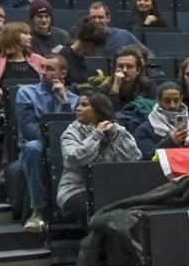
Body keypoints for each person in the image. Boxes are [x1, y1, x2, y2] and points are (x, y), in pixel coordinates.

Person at [15, 55, 79, 232]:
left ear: (63, 73)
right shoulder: (26, 92)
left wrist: (64, 101)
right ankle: (38, 209)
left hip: (66, 144)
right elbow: (28, 129)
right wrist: (52, 141)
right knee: (32, 148)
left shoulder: (74, 99)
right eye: (42, 67)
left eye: (50, 69)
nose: (43, 72)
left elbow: (73, 128)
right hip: (37, 143)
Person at [57, 92, 139, 221]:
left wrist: (116, 135)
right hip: (76, 188)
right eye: (78, 105)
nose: (78, 108)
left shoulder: (117, 131)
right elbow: (75, 159)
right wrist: (96, 135)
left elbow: (133, 160)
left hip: (111, 186)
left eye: (84, 105)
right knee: (98, 204)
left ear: (98, 110)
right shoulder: (70, 133)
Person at [134, 82, 189, 160]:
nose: (172, 105)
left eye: (176, 100)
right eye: (167, 101)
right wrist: (170, 141)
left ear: (181, 99)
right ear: (159, 101)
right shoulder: (144, 129)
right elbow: (146, 159)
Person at [0, 22, 46, 103]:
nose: (30, 37)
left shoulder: (39, 60)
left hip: (37, 105)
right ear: (13, 36)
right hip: (2, 106)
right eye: (26, 34)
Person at [55, 16, 107, 87]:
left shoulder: (79, 55)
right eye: (95, 48)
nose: (95, 52)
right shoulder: (65, 55)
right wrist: (97, 73)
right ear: (89, 44)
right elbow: (75, 79)